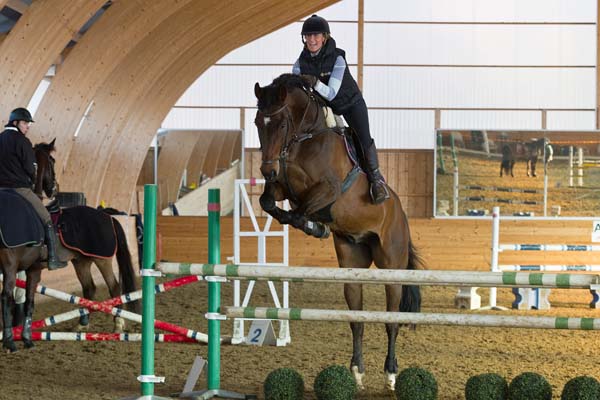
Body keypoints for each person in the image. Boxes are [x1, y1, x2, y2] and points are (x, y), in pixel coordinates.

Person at [292, 14, 390, 204]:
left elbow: (332, 93)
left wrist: (314, 82)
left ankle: (376, 181)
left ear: (324, 37)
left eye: (316, 35)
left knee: (363, 138)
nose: (312, 39)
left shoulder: (338, 59)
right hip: (326, 107)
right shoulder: (299, 64)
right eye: (308, 36)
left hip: (350, 103)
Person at [0, 107, 66, 269]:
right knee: (46, 218)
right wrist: (31, 176)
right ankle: (52, 258)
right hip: (19, 189)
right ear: (15, 123)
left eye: (28, 123)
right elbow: (31, 168)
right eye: (25, 123)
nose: (27, 126)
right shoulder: (22, 141)